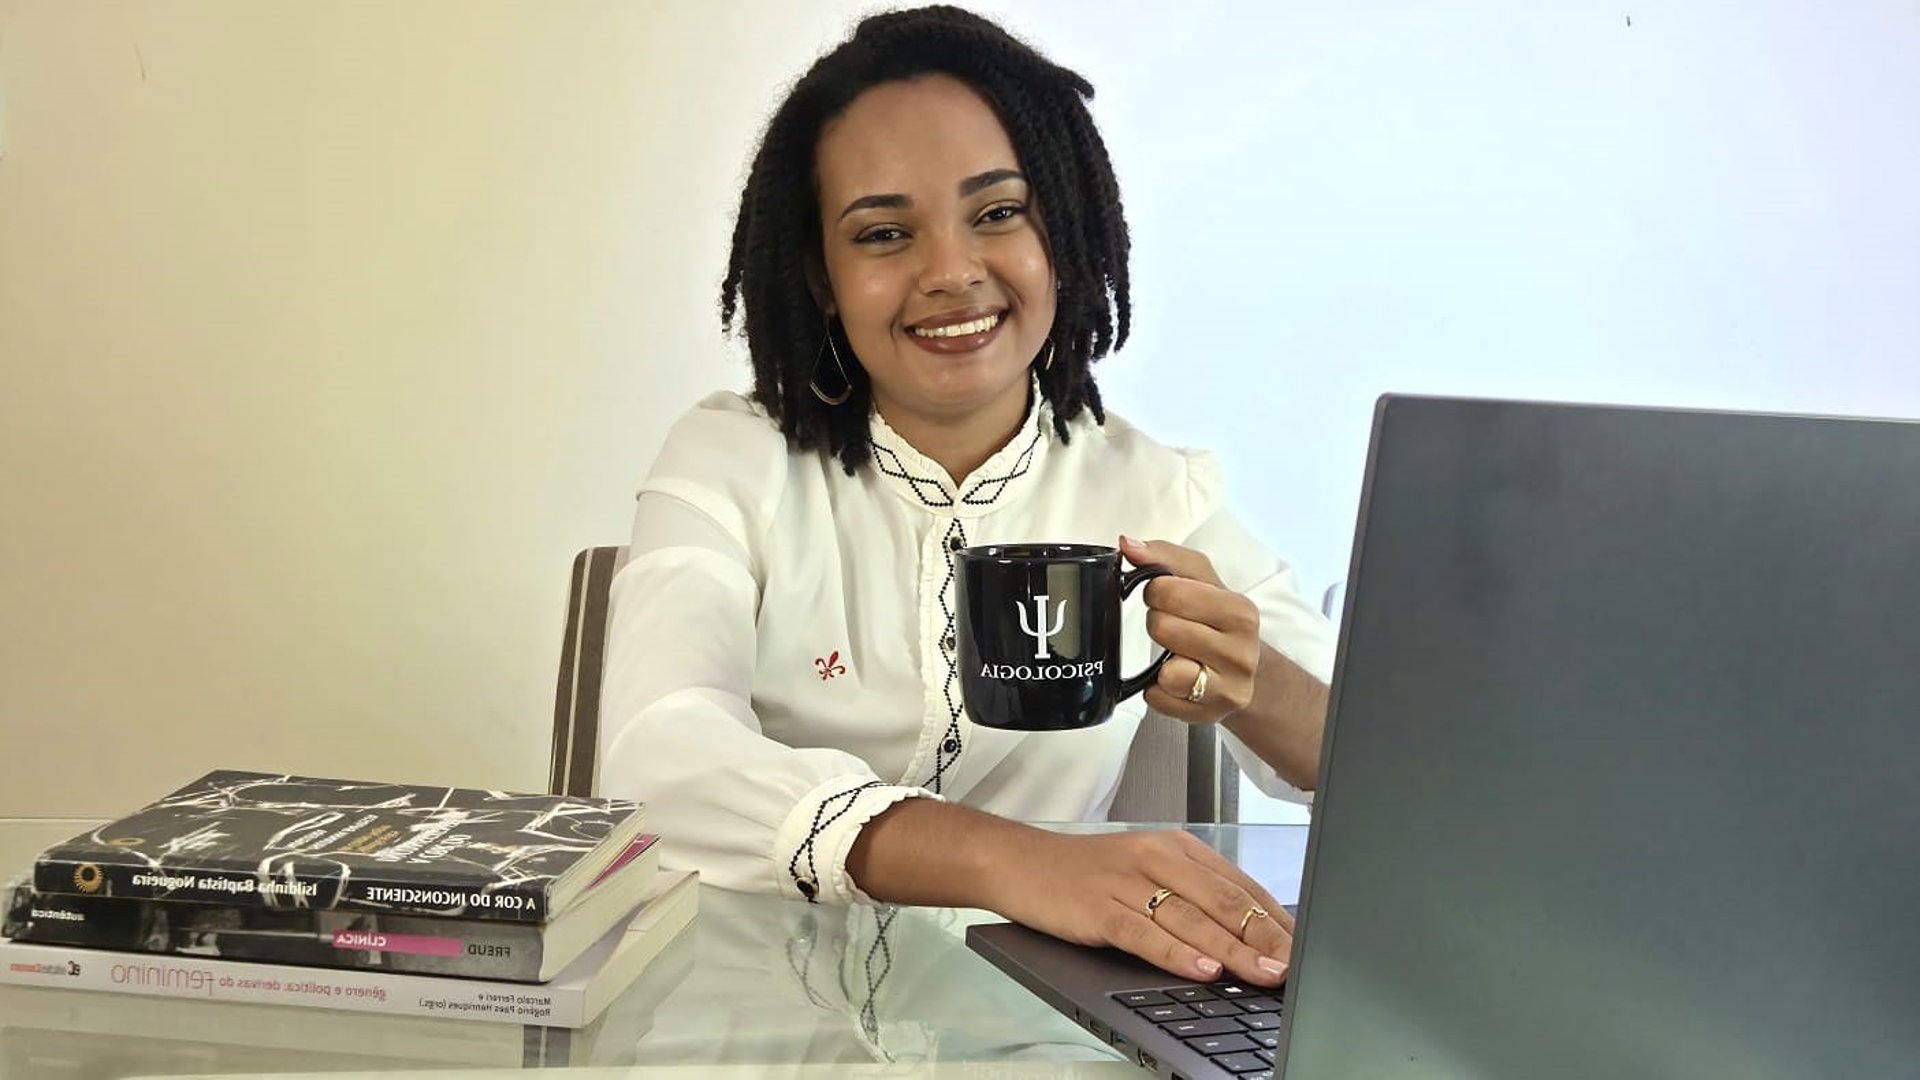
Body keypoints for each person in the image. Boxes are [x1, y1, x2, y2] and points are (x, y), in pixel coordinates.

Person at [599, 5, 1335, 991]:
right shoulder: (732, 457)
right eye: (884, 233)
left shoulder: (1153, 489)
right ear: (820, 275)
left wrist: (1253, 681)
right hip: (739, 1017)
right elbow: (658, 755)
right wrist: (1023, 861)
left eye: (997, 212)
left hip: (1038, 1030)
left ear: (1062, 230)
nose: (949, 272)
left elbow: (1380, 764)